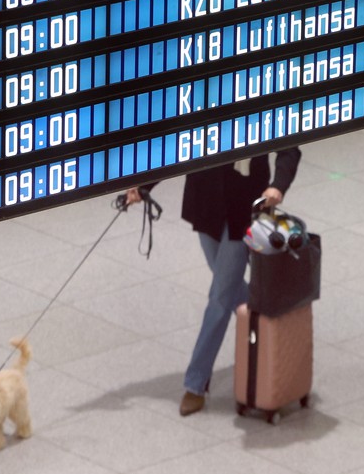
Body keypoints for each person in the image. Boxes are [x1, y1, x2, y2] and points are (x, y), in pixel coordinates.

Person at [126, 147, 300, 416]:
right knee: (224, 282)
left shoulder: (261, 105)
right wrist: (144, 185)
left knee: (219, 297)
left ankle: (196, 383)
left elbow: (290, 147)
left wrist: (278, 185)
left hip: (245, 207)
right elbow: (175, 145)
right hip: (206, 202)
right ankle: (270, 325)